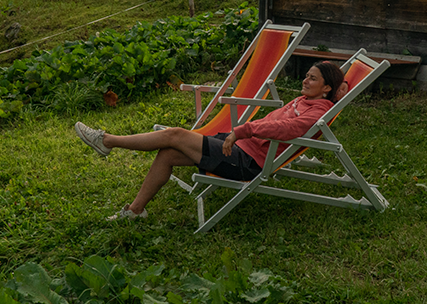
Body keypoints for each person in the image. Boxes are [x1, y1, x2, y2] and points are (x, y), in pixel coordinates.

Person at [74, 61, 346, 220]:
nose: (305, 79)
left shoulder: (318, 111)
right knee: (168, 152)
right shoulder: (305, 99)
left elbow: (288, 128)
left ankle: (106, 140)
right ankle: (135, 211)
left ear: (326, 88)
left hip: (248, 162)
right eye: (307, 75)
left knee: (175, 134)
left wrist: (243, 130)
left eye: (313, 78)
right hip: (239, 149)